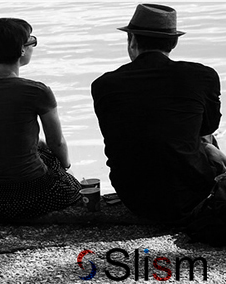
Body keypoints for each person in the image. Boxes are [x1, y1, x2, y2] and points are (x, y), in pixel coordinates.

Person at [91, 4, 224, 223]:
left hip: (135, 197)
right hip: (191, 196)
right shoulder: (202, 76)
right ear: (174, 42)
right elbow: (208, 127)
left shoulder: (104, 84)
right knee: (202, 135)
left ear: (132, 40)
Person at [0, 18, 81, 221]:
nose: (33, 45)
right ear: (22, 50)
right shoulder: (37, 91)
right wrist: (65, 166)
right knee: (68, 183)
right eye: (31, 41)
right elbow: (56, 142)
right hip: (29, 191)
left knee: (40, 150)